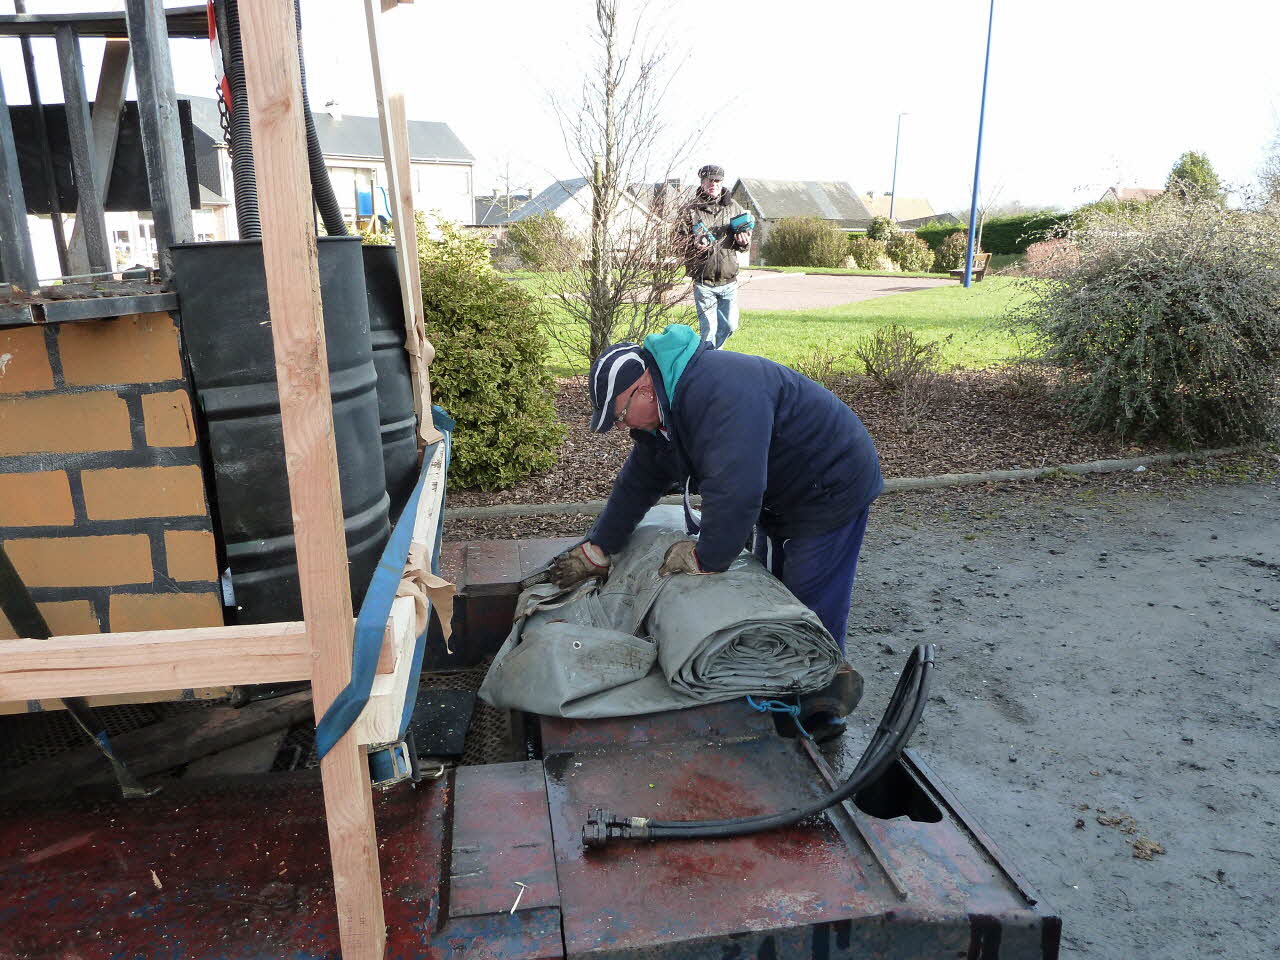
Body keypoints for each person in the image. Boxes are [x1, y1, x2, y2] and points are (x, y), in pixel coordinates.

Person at [550, 323, 883, 665]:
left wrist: (705, 558)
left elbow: (736, 488)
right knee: (775, 595)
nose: (621, 427)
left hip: (829, 483)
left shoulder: (718, 391)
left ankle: (821, 702)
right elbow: (638, 482)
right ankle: (780, 683)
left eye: (619, 416)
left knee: (810, 602)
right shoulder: (665, 406)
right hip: (782, 491)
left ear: (645, 389)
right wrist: (599, 546)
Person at [678, 164, 752, 348]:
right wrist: (693, 246)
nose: (714, 184)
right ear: (702, 182)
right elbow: (678, 246)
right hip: (704, 280)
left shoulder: (735, 208)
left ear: (722, 182)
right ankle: (709, 365)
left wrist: (744, 242)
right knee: (708, 331)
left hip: (729, 280)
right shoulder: (690, 211)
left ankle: (711, 357)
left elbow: (743, 244)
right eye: (709, 180)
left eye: (717, 180)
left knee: (729, 326)